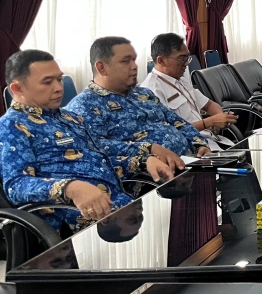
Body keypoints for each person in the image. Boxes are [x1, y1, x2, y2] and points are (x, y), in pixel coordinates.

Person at [0, 50, 173, 232]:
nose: (58, 87)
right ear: (17, 89)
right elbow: (17, 186)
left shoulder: (70, 118)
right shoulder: (12, 126)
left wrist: (142, 162)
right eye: (47, 82)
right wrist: (70, 188)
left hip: (121, 208)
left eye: (59, 79)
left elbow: (97, 163)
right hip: (79, 224)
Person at [66, 37, 210, 166]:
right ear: (101, 67)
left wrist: (199, 144)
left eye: (134, 60)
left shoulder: (143, 94)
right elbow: (95, 147)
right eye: (125, 61)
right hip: (151, 177)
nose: (134, 66)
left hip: (192, 164)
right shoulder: (84, 106)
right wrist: (148, 148)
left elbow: (178, 122)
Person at [140, 34, 238, 151]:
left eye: (187, 58)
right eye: (182, 58)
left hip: (210, 140)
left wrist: (221, 117)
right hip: (190, 150)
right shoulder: (151, 90)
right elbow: (167, 133)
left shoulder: (180, 80)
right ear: (161, 60)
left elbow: (209, 105)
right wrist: (209, 122)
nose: (186, 64)